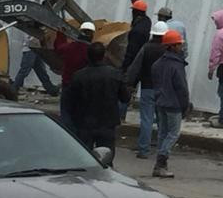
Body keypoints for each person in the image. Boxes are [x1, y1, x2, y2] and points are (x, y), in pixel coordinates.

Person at [64, 42, 129, 152]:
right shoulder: (114, 74)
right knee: (106, 156)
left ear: (88, 56)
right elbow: (125, 98)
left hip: (84, 122)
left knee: (85, 156)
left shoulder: (78, 76)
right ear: (103, 56)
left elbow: (69, 102)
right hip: (107, 122)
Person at [124, 20, 169, 158]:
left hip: (147, 88)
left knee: (146, 119)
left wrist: (129, 82)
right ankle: (162, 150)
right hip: (163, 90)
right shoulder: (168, 50)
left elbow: (135, 67)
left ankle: (143, 150)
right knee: (162, 120)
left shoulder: (146, 48)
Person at [151, 29, 191, 179]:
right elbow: (182, 88)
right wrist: (185, 106)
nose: (181, 47)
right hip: (173, 104)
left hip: (160, 102)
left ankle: (160, 164)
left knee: (163, 133)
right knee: (173, 134)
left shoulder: (157, 64)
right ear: (172, 46)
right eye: (179, 44)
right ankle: (161, 163)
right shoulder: (177, 65)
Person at [53, 23, 92, 133]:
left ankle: (67, 134)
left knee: (65, 112)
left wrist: (61, 34)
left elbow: (59, 48)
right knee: (79, 114)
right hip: (83, 88)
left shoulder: (70, 47)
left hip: (67, 84)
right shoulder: (90, 50)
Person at [12, 29, 58, 97]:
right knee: (25, 70)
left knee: (41, 71)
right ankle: (14, 88)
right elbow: (29, 39)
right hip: (30, 49)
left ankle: (51, 89)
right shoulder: (30, 27)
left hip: (36, 49)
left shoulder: (36, 27)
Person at [121, 0, 151, 77]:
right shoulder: (147, 21)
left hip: (133, 64)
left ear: (135, 12)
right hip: (141, 62)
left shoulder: (137, 31)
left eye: (133, 11)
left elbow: (131, 52)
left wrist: (123, 69)